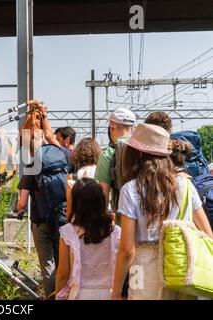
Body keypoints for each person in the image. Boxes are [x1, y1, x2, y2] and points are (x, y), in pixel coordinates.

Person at [112, 123, 213, 300]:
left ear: (138, 154)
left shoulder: (130, 190)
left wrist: (116, 290)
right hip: (181, 264)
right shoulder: (186, 186)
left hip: (142, 267)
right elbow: (207, 234)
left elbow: (127, 249)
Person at [17, 102, 67, 298]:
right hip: (62, 218)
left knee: (47, 264)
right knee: (62, 260)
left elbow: (22, 203)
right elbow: (50, 135)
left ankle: (51, 296)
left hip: (40, 220)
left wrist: (19, 210)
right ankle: (65, 293)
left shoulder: (32, 166)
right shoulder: (61, 155)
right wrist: (43, 115)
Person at [56, 178, 120, 300]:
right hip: (109, 293)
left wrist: (59, 295)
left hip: (79, 294)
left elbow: (62, 273)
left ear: (76, 203)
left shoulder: (68, 232)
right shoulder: (115, 232)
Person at [94, 107, 136, 212]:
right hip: (148, 214)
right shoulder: (143, 149)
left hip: (122, 214)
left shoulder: (108, 153)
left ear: (112, 125)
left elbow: (103, 196)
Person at [66, 138, 102, 221]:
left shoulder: (72, 177)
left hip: (80, 221)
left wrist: (68, 223)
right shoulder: (103, 175)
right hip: (100, 222)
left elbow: (69, 207)